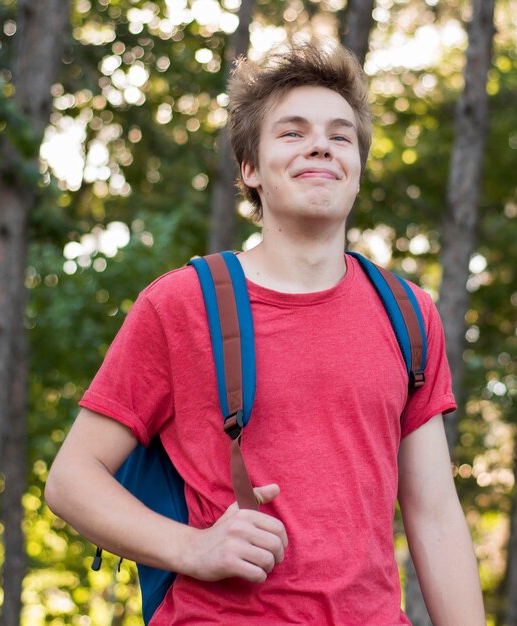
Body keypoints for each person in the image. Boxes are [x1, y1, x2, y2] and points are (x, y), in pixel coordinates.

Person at [46, 40, 486, 625]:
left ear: (356, 167)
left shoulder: (408, 314)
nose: (321, 145)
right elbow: (71, 480)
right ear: (250, 168)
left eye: (340, 135)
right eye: (292, 132)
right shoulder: (182, 304)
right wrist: (193, 548)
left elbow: (433, 514)